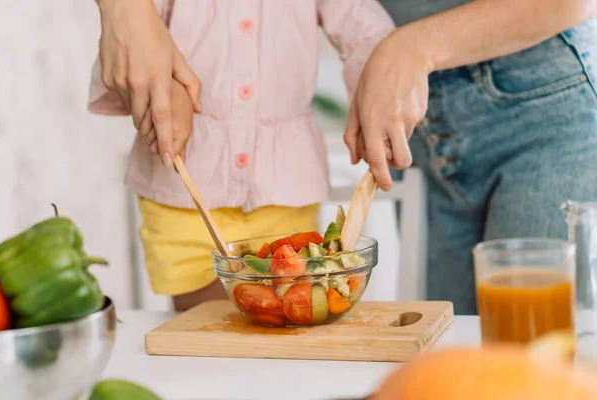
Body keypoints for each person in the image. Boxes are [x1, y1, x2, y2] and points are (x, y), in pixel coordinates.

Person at [89, 0, 395, 311]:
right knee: (211, 332)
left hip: (284, 188)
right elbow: (133, 40)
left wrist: (384, 94)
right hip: (186, 189)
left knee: (287, 317)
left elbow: (366, 32)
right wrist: (164, 87)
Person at [345, 0, 597, 314]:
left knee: (526, 353)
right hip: (419, 127)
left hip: (542, 109)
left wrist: (411, 48)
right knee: (448, 353)